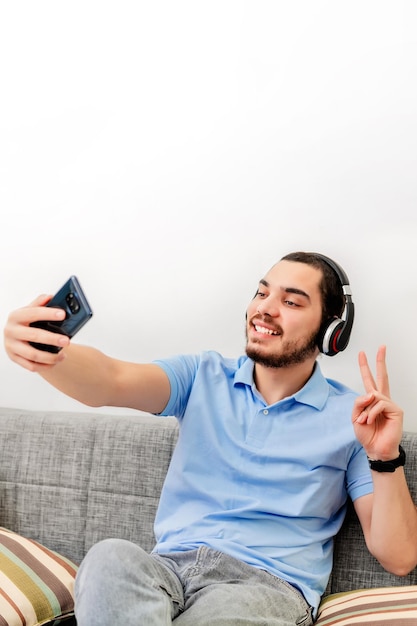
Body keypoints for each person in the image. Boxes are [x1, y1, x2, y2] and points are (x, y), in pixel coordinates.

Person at [4, 251, 417, 626]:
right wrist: (48, 353)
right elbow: (112, 379)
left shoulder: (354, 420)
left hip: (264, 590)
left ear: (332, 332)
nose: (265, 309)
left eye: (291, 302)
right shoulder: (202, 375)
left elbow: (398, 557)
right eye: (261, 293)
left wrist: (384, 456)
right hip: (166, 571)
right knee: (109, 557)